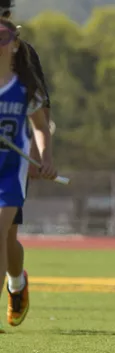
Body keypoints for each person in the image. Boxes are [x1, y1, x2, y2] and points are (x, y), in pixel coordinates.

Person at [0, 18, 58, 332]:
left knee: (5, 236)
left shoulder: (22, 72)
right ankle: (16, 282)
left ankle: (16, 284)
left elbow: (40, 121)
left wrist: (43, 157)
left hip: (10, 168)